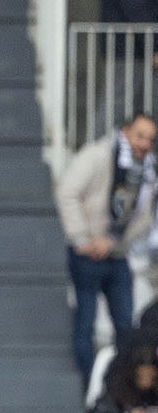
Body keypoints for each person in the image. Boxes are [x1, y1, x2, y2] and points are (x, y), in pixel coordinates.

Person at [55, 112, 156, 381]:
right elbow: (67, 192)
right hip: (86, 255)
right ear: (125, 132)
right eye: (140, 136)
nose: (144, 144)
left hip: (116, 253)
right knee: (85, 323)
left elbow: (143, 217)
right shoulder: (98, 155)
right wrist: (82, 239)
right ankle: (89, 385)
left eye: (150, 139)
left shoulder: (145, 169)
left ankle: (117, 385)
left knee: (125, 325)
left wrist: (113, 241)